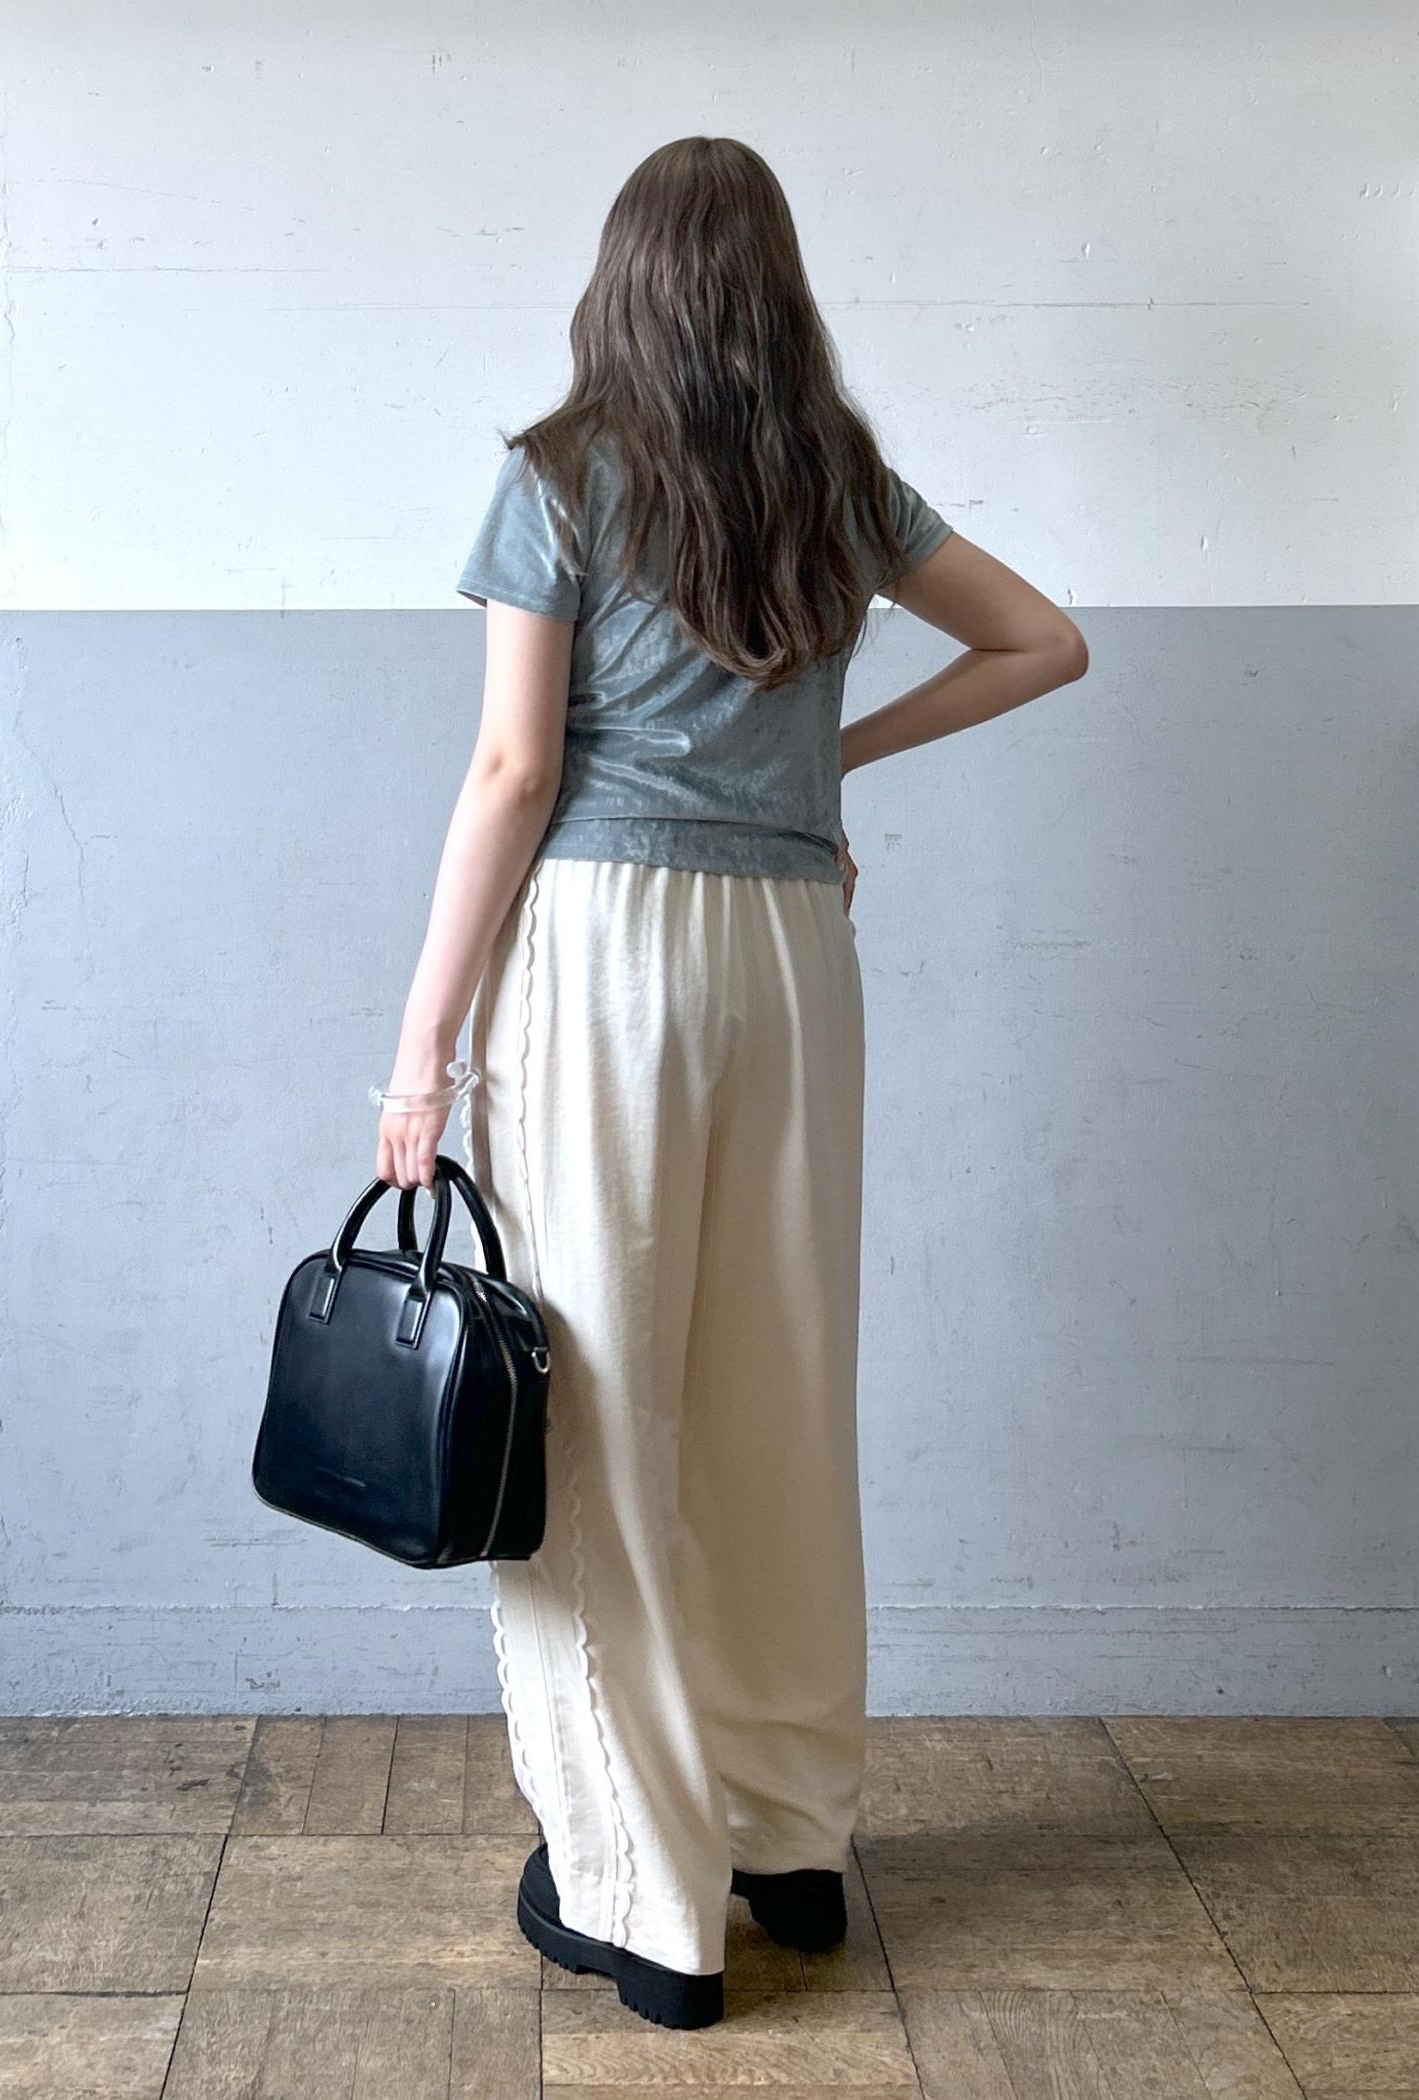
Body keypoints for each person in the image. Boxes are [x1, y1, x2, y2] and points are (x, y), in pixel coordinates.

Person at [375, 135, 1088, 2031]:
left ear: (622, 278)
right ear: (777, 282)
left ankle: (644, 1899)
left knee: (595, 1413)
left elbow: (515, 775)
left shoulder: (562, 472)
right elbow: (1047, 643)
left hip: (607, 956)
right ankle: (787, 1841)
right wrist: (823, 767)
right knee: (777, 1396)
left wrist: (418, 1047)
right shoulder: (834, 479)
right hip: (788, 959)